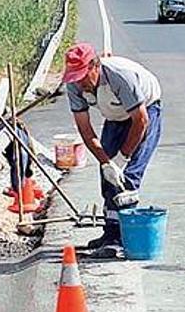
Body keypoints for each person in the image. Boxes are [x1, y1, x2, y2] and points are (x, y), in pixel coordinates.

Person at [62, 43, 162, 258]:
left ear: (94, 67)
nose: (78, 84)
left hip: (145, 113)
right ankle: (111, 233)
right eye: (74, 78)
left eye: (81, 77)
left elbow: (141, 121)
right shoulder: (73, 85)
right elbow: (85, 129)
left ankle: (125, 238)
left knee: (127, 177)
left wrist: (122, 157)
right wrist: (106, 162)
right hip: (115, 118)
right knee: (108, 178)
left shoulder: (120, 77)